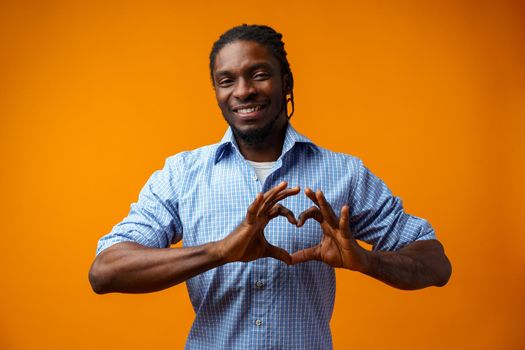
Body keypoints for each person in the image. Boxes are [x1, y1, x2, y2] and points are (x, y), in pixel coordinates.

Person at [89, 24, 451, 349]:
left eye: (259, 74)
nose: (243, 91)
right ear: (216, 90)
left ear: (286, 82)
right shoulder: (182, 174)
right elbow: (105, 271)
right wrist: (220, 251)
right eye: (227, 80)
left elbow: (436, 264)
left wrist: (368, 260)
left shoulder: (345, 174)